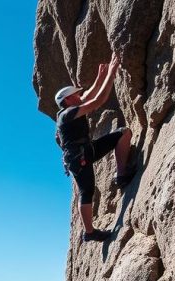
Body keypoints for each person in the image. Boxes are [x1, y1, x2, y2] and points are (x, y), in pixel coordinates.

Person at [55, 53, 137, 243]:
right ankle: (89, 232)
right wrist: (112, 72)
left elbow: (88, 95)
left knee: (123, 133)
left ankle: (121, 175)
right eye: (75, 95)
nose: (78, 95)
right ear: (68, 100)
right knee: (86, 191)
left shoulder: (68, 110)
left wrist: (100, 78)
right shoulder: (68, 114)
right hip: (79, 158)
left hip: (85, 152)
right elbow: (98, 101)